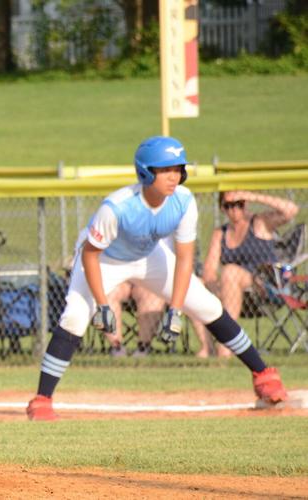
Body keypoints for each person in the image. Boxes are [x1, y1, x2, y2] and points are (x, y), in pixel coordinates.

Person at [26, 136, 288, 421]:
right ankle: (42, 400)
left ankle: (263, 375)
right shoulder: (117, 207)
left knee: (207, 306)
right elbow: (89, 255)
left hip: (149, 257)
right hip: (103, 260)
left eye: (177, 168)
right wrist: (102, 305)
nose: (174, 176)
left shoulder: (184, 202)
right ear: (145, 172)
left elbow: (185, 258)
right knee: (75, 317)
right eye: (165, 170)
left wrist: (175, 309)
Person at [201, 190, 299, 357]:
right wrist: (215, 289)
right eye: (228, 206)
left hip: (263, 289)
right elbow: (209, 271)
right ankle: (206, 348)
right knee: (196, 285)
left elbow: (291, 210)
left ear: (245, 204)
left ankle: (225, 349)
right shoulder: (221, 233)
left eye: (239, 204)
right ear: (222, 209)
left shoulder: (259, 223)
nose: (234, 210)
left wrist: (252, 196)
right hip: (230, 291)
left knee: (230, 272)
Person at [103, 282, 165, 357]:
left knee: (152, 294)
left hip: (146, 282)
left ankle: (143, 347)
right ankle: (116, 347)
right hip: (118, 280)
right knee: (107, 292)